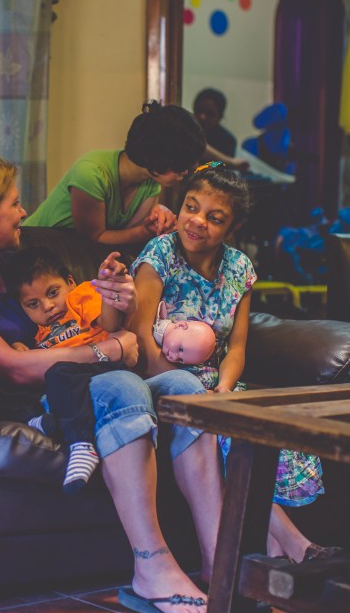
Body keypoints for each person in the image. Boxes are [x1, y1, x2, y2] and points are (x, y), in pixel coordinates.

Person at [0, 152, 226, 613]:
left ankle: (221, 562)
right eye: (13, 204)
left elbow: (86, 319)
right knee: (120, 383)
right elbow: (14, 368)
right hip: (41, 403)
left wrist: (117, 305)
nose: (23, 213)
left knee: (183, 385)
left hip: (88, 385)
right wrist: (108, 351)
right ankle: (151, 570)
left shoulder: (14, 269)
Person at [130, 161, 324, 561]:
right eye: (190, 207)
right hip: (164, 380)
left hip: (215, 384)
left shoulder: (239, 268)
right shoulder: (159, 254)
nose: (196, 221)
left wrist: (223, 389)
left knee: (265, 428)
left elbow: (235, 348)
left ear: (232, 228)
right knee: (226, 430)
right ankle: (298, 546)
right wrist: (201, 394)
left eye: (214, 218)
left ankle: (272, 557)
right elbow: (141, 342)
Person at [5, 245, 136, 493]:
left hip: (101, 367)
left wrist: (108, 289)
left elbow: (109, 323)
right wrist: (23, 350)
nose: (47, 306)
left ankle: (81, 444)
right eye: (33, 304)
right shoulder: (39, 331)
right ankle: (40, 421)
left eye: (53, 293)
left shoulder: (81, 297)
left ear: (70, 282)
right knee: (12, 387)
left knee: (58, 372)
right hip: (65, 379)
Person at [22, 102, 205, 250]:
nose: (185, 172)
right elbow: (95, 238)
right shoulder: (92, 174)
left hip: (76, 257)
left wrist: (157, 221)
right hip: (35, 246)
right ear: (158, 158)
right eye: (181, 165)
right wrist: (145, 231)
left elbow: (127, 236)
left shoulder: (150, 183)